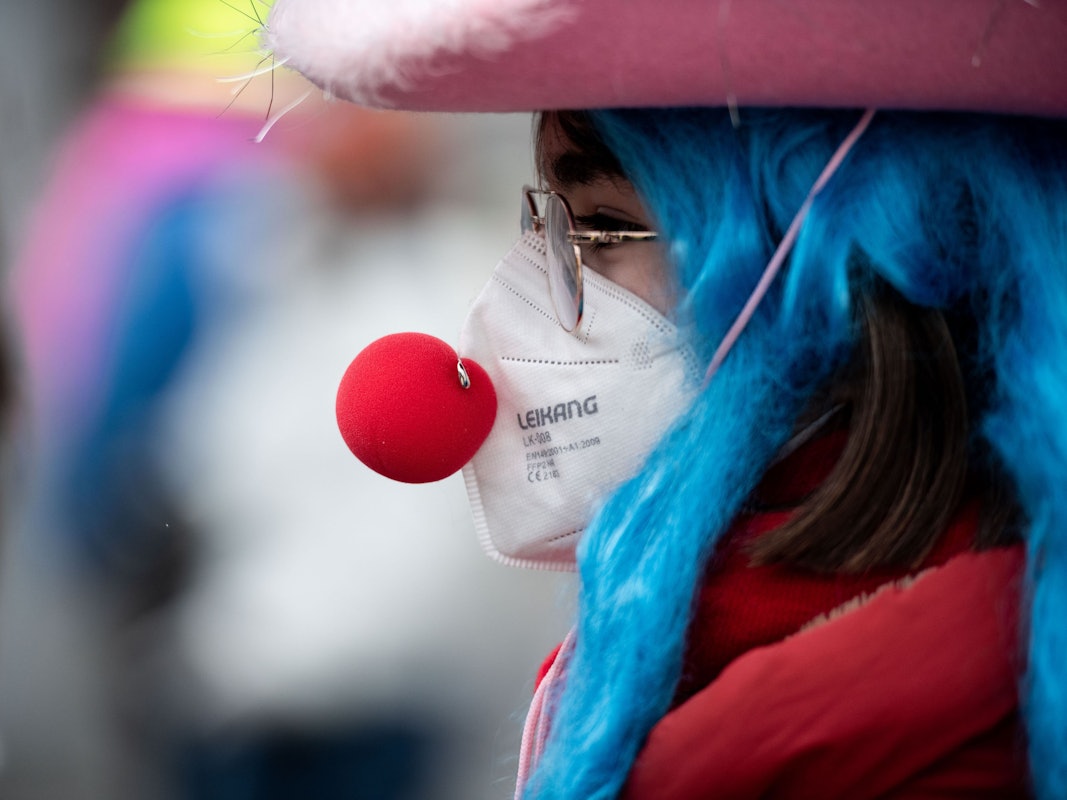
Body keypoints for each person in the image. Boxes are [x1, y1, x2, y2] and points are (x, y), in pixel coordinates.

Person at [264, 1, 1067, 798]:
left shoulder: (901, 735)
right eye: (548, 226)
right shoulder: (694, 642)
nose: (533, 296)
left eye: (604, 226)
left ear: (840, 260)